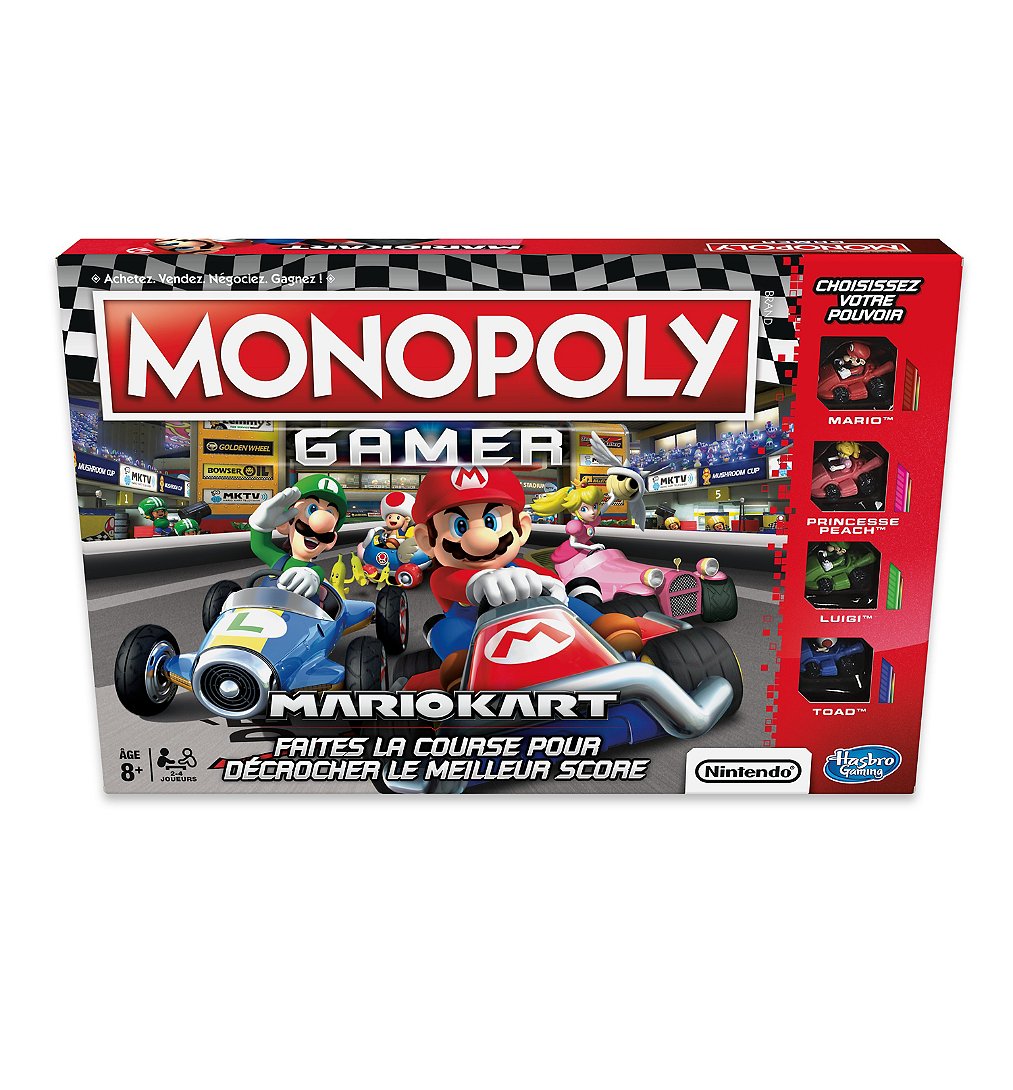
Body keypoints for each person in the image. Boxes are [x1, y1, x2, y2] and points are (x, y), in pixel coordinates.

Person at [412, 466, 641, 690]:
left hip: (542, 618)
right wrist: (480, 584)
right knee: (443, 627)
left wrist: (550, 586)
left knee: (569, 603)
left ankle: (604, 629)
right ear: (426, 540)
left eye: (491, 522)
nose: (481, 540)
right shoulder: (444, 576)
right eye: (460, 526)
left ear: (521, 529)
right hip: (477, 630)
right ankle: (467, 664)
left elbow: (550, 581)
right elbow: (454, 585)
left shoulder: (520, 567)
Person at [247, 474, 347, 599]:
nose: (318, 524)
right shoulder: (280, 560)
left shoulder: (314, 570)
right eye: (312, 509)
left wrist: (311, 576)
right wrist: (260, 527)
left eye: (329, 514)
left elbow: (317, 574)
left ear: (332, 540)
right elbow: (260, 546)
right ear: (285, 524)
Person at [530, 482, 605, 566]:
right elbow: (572, 543)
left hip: (585, 549)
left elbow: (601, 511)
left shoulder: (590, 521)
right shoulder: (576, 526)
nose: (592, 512)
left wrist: (613, 497)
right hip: (570, 555)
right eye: (584, 509)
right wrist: (590, 547)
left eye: (594, 507)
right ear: (573, 512)